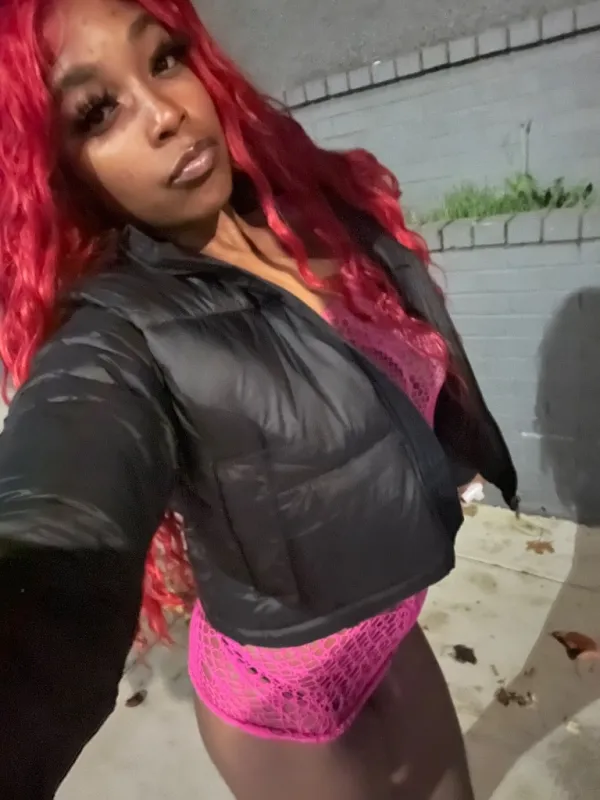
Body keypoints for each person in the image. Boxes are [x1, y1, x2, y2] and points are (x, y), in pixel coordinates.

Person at [0, 0, 518, 797]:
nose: (167, 113)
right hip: (276, 702)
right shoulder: (121, 330)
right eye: (98, 111)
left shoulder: (315, 217)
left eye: (164, 59)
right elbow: (60, 511)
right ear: (58, 168)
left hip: (391, 633)